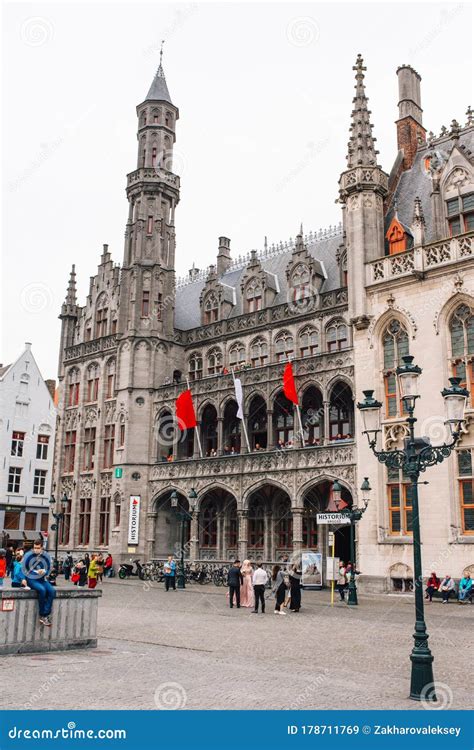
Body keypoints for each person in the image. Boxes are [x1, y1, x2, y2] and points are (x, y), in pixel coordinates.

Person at [22, 538, 56, 627]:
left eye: (38, 548)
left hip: (42, 578)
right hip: (31, 579)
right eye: (35, 547)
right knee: (42, 590)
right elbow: (23, 568)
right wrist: (23, 579)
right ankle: (43, 615)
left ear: (42, 548)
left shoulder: (46, 556)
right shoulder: (28, 554)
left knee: (52, 591)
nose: (36, 549)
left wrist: (44, 571)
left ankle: (46, 613)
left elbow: (49, 568)